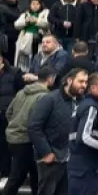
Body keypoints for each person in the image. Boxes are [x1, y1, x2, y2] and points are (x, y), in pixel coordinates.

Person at [28, 67, 88, 195]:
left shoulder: (82, 101)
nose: (84, 85)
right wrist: (46, 152)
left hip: (72, 159)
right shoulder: (49, 99)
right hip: (52, 157)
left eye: (86, 82)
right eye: (81, 81)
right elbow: (34, 127)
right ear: (70, 80)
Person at [4, 66, 55, 195]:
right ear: (50, 79)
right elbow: (39, 122)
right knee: (18, 176)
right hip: (27, 140)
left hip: (13, 137)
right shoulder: (45, 96)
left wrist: (15, 125)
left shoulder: (21, 92)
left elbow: (9, 113)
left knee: (34, 174)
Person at [68, 72, 98, 195]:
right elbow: (84, 136)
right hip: (86, 170)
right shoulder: (91, 107)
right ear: (93, 88)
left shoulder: (85, 104)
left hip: (80, 167)